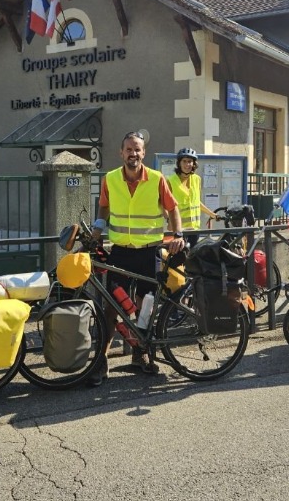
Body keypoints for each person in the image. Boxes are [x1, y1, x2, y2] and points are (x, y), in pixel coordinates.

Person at [88, 131, 186, 386]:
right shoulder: (110, 179)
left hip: (148, 251)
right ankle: (102, 360)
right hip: (120, 252)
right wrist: (97, 230)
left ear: (144, 153)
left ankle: (140, 355)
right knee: (112, 307)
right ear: (121, 153)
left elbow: (173, 208)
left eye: (138, 150)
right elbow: (104, 207)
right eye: (129, 150)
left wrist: (178, 234)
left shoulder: (156, 179)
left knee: (145, 306)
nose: (133, 154)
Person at [168, 147, 217, 247]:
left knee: (192, 258)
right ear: (179, 163)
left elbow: (196, 202)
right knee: (180, 259)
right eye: (184, 161)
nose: (187, 165)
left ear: (194, 164)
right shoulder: (170, 181)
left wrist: (212, 214)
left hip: (194, 229)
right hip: (179, 231)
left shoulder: (197, 179)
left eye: (190, 161)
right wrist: (170, 221)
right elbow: (164, 204)